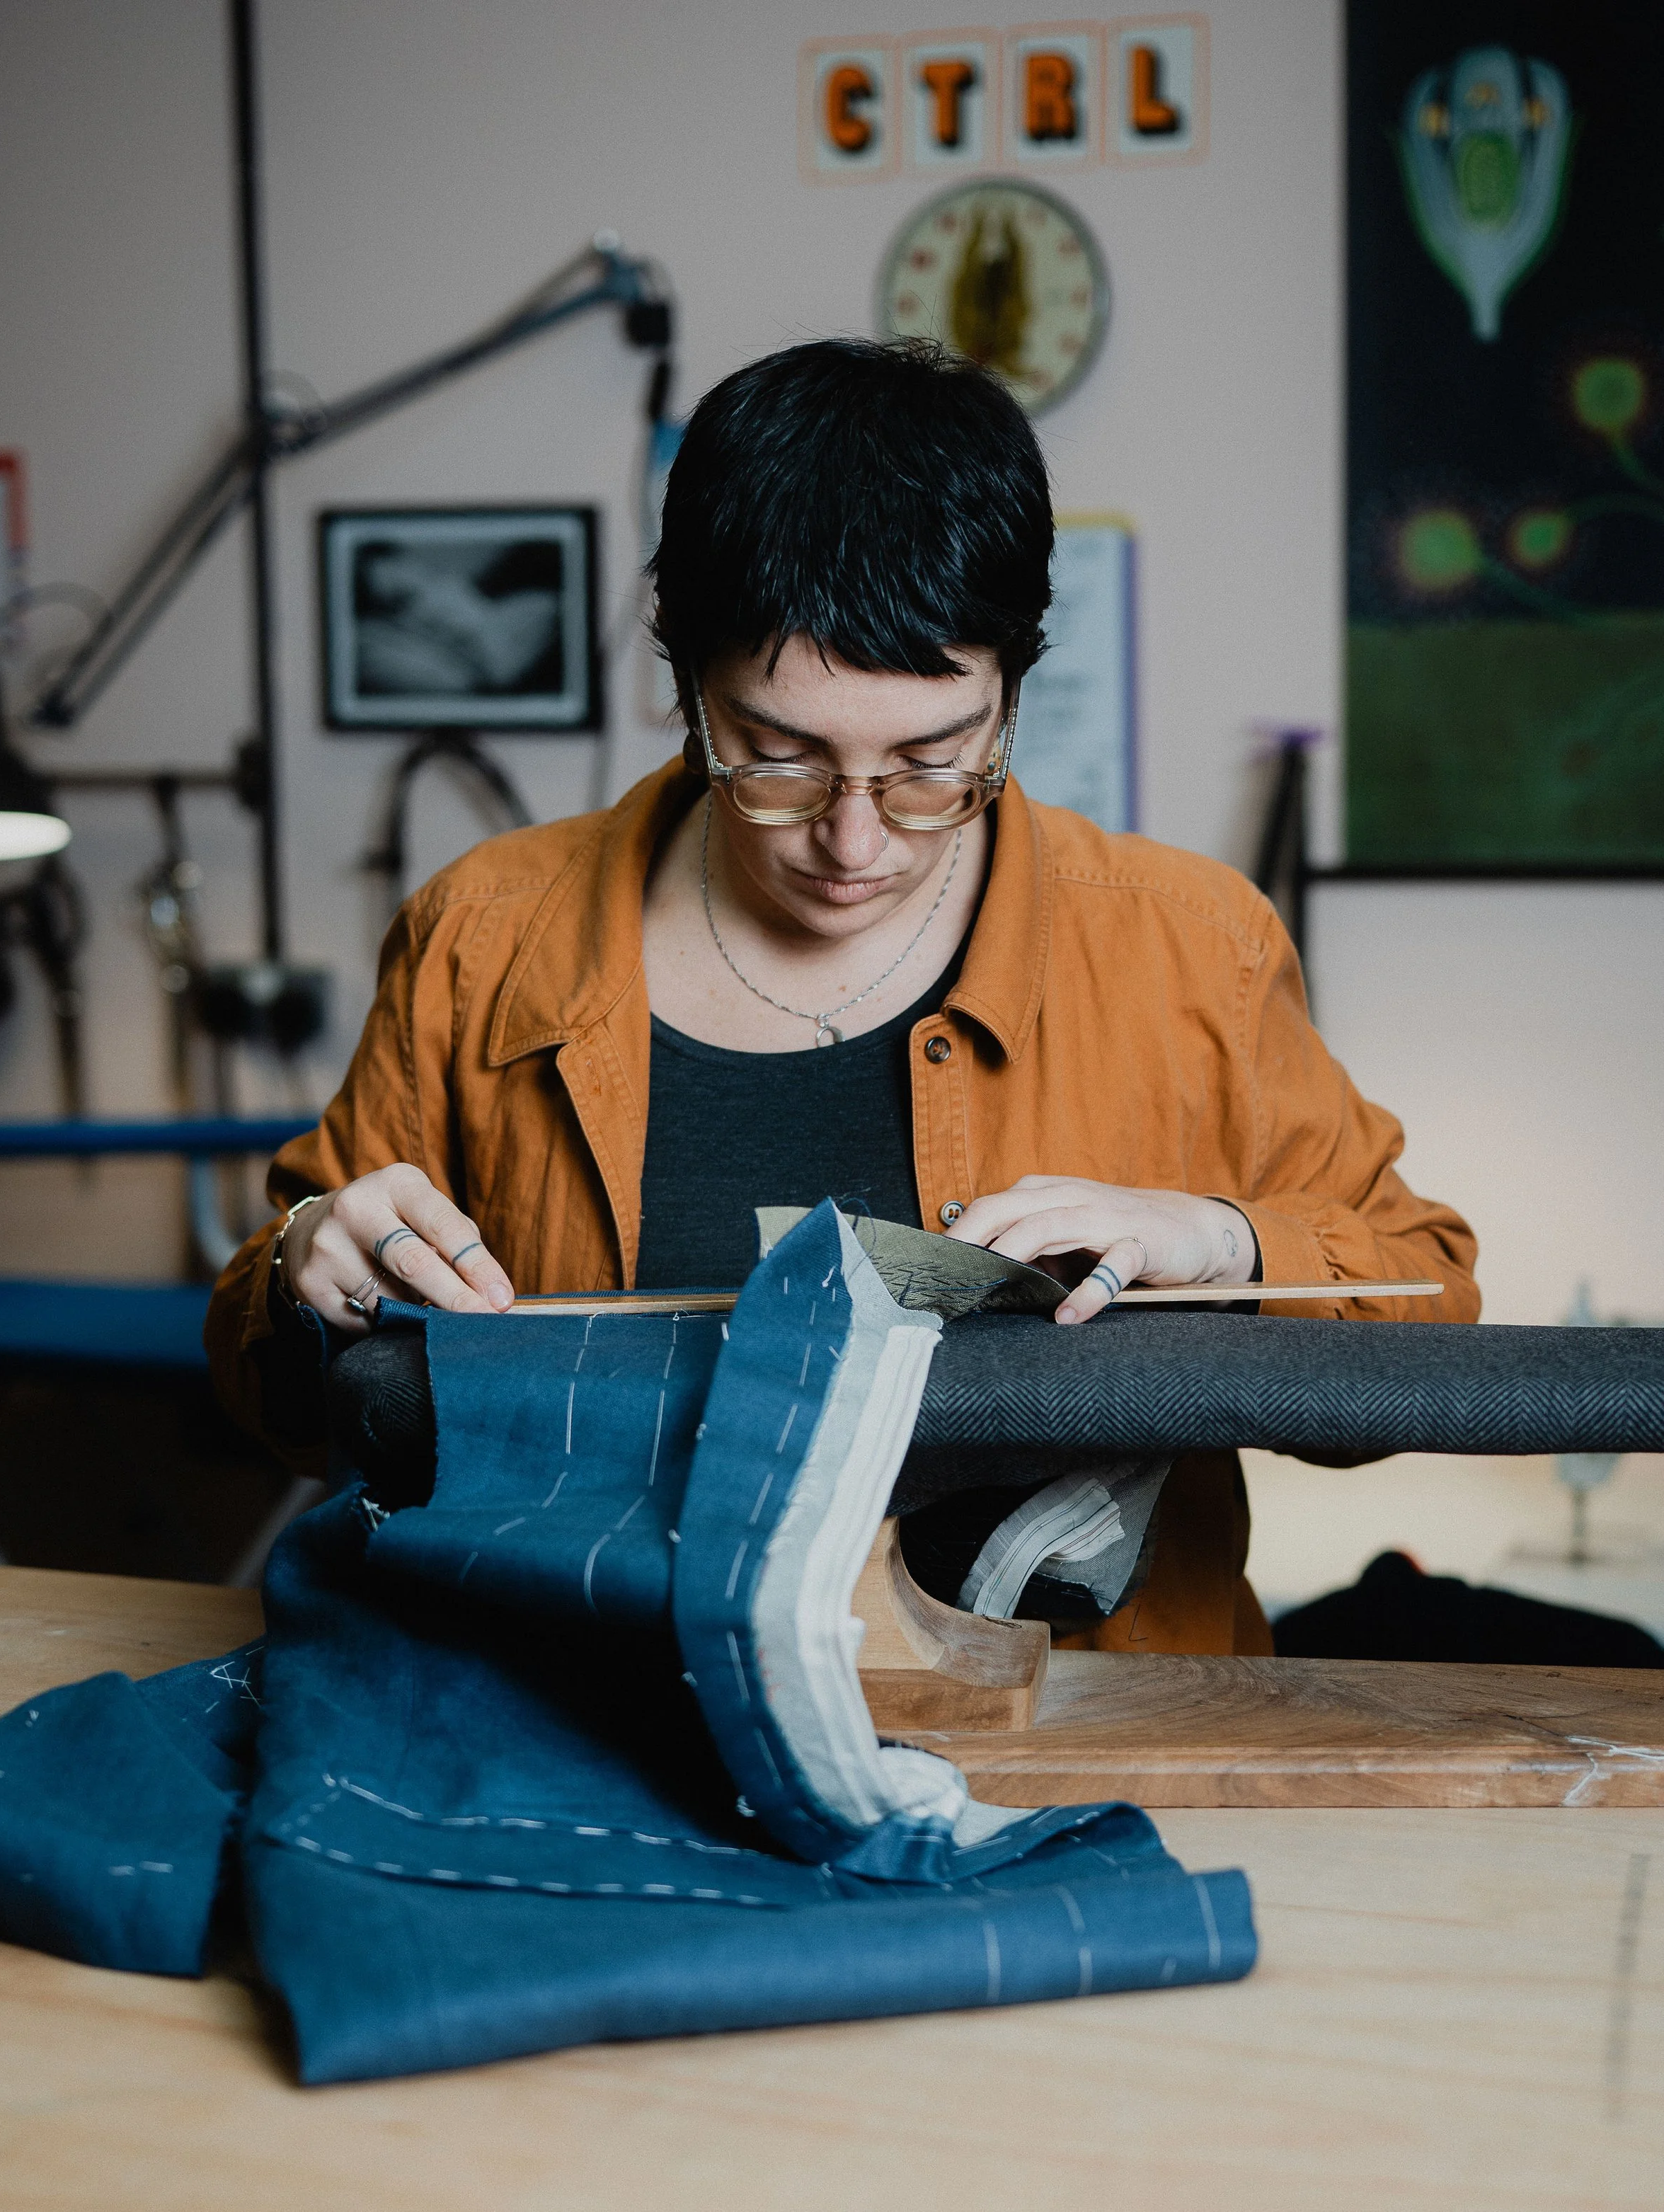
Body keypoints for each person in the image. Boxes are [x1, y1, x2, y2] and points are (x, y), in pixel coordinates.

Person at [206, 337, 1478, 1654]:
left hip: (1086, 1738)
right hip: (592, 1715)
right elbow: (272, 1395)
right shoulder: (483, 939)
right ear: (685, 683)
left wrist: (1223, 1244)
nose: (855, 842)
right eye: (778, 759)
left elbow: (1429, 1315)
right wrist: (310, 1271)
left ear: (1013, 690)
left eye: (933, 763)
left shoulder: (1193, 950)